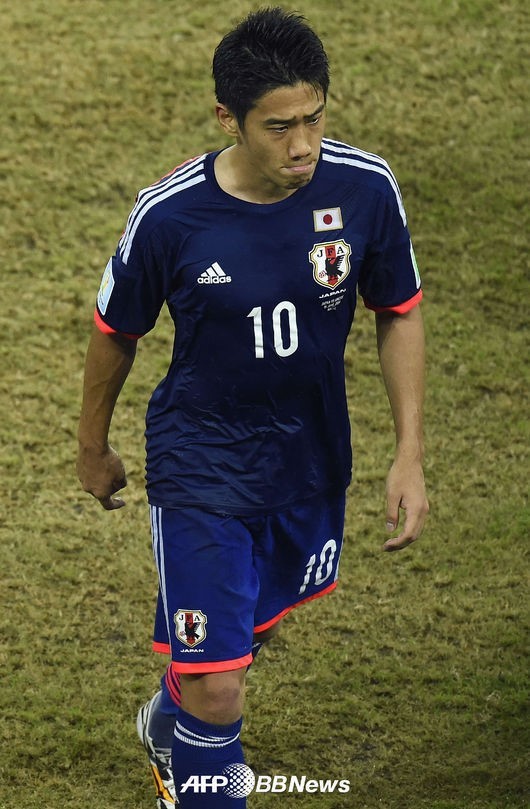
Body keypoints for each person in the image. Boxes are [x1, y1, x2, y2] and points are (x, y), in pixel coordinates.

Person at [77, 7, 428, 807]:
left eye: (314, 119)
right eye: (279, 127)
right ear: (227, 118)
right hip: (200, 461)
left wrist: (408, 452)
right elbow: (115, 330)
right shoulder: (169, 215)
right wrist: (92, 445)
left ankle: (170, 720)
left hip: (308, 460)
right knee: (221, 684)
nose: (302, 145)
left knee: (242, 640)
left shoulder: (365, 188)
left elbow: (398, 309)